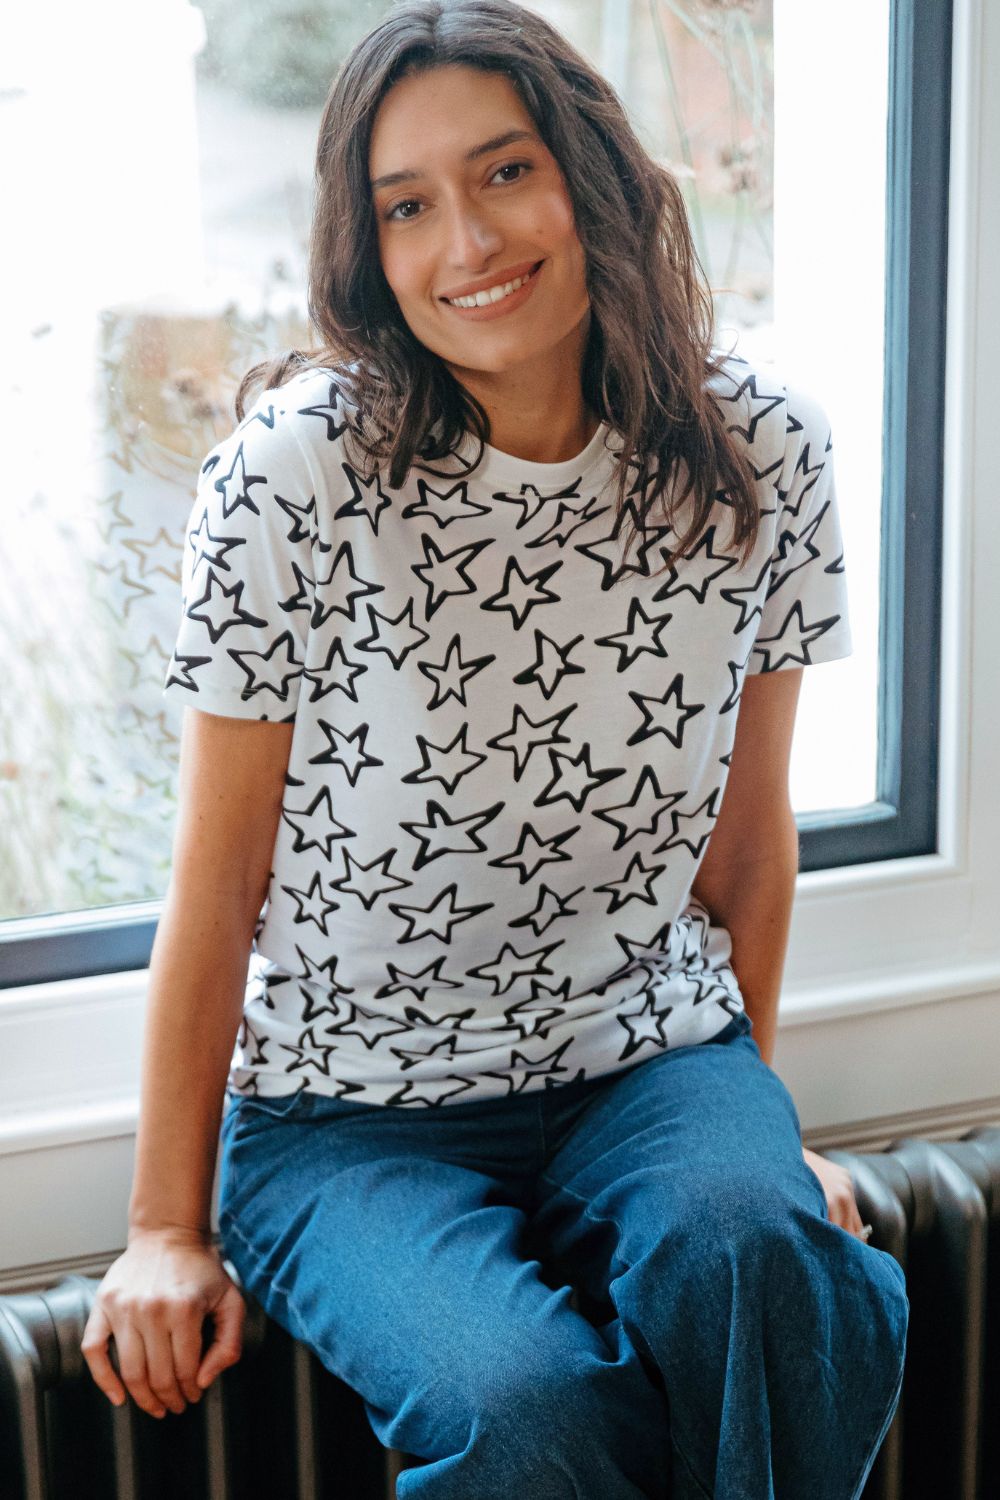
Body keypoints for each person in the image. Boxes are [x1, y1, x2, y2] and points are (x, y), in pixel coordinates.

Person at [81, 2, 909, 1495]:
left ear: (589, 175)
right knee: (523, 1406)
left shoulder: (762, 451)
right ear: (369, 251)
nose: (467, 239)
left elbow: (745, 849)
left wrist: (757, 1134)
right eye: (407, 206)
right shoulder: (295, 479)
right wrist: (162, 1230)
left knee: (765, 1257)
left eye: (504, 171)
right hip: (345, 1124)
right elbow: (213, 893)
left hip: (650, 1065)